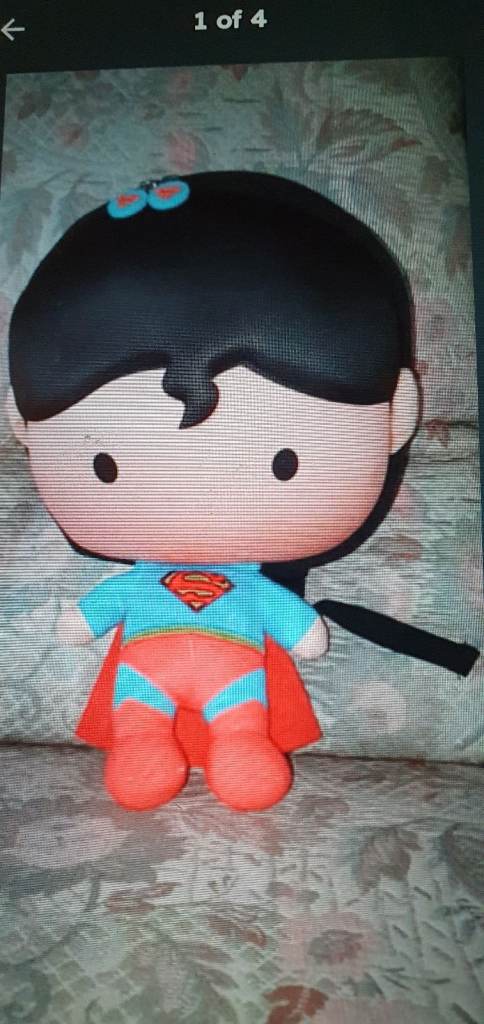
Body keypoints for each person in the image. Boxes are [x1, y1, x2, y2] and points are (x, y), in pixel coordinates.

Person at [7, 171, 477, 812]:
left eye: (285, 462)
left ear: (395, 419)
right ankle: (144, 747)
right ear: (22, 428)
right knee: (141, 720)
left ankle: (241, 749)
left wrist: (304, 628)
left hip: (236, 678)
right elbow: (93, 613)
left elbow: (299, 629)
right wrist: (80, 621)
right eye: (105, 465)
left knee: (242, 723)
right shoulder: (139, 581)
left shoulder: (254, 587)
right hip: (146, 674)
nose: (188, 504)